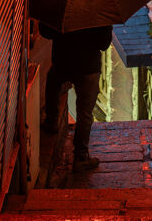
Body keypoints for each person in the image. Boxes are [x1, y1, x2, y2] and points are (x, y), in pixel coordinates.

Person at [40, 22, 113, 170]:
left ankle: (51, 121)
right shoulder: (99, 11)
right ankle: (81, 156)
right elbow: (104, 44)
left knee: (53, 84)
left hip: (63, 61)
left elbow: (45, 32)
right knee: (85, 113)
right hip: (88, 67)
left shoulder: (64, 5)